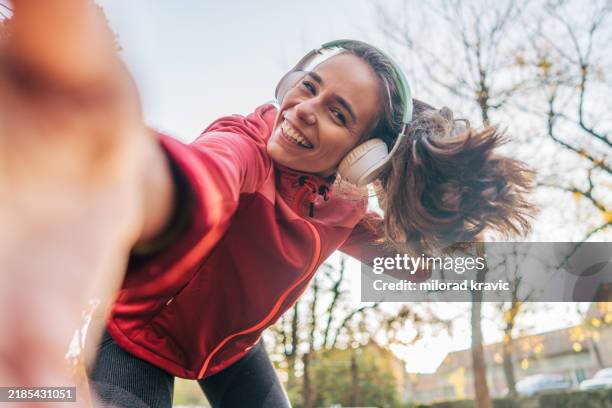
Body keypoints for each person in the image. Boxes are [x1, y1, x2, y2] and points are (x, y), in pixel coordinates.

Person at [0, 2, 535, 407]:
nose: (303, 110)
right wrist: (114, 162)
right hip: (138, 333)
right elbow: (204, 179)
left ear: (362, 160)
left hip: (232, 348)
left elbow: (411, 266)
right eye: (308, 87)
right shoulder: (242, 146)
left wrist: (530, 270)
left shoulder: (343, 206)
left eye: (338, 114)